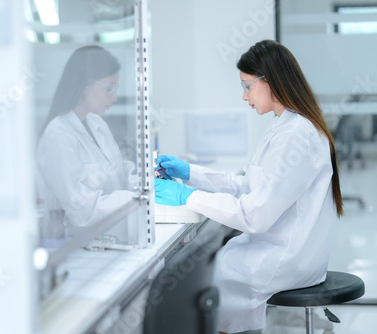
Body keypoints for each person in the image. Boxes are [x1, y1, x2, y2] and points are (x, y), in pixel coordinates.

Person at [154, 40, 343, 334]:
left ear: (271, 81)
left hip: (288, 258)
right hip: (281, 246)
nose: (244, 97)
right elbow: (248, 186)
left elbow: (254, 215)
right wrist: (191, 174)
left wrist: (187, 197)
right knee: (215, 266)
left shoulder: (296, 135)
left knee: (207, 275)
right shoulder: (285, 125)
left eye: (247, 86)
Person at [36, 45, 136, 244]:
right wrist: (139, 198)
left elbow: (120, 174)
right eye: (109, 88)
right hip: (77, 250)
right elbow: (81, 210)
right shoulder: (58, 135)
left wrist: (150, 183)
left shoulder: (96, 122)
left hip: (112, 242)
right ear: (84, 85)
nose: (114, 97)